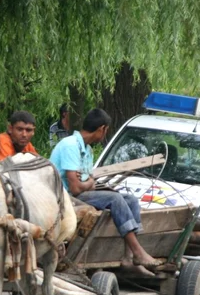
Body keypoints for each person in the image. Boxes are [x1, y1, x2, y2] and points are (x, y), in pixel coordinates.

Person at [50, 108, 159, 270]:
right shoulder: (70, 146)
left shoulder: (87, 150)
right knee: (114, 199)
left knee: (130, 200)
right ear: (102, 129)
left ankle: (129, 256)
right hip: (63, 197)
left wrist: (88, 183)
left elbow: (85, 182)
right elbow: (76, 188)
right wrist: (89, 183)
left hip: (79, 194)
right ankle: (137, 251)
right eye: (106, 131)